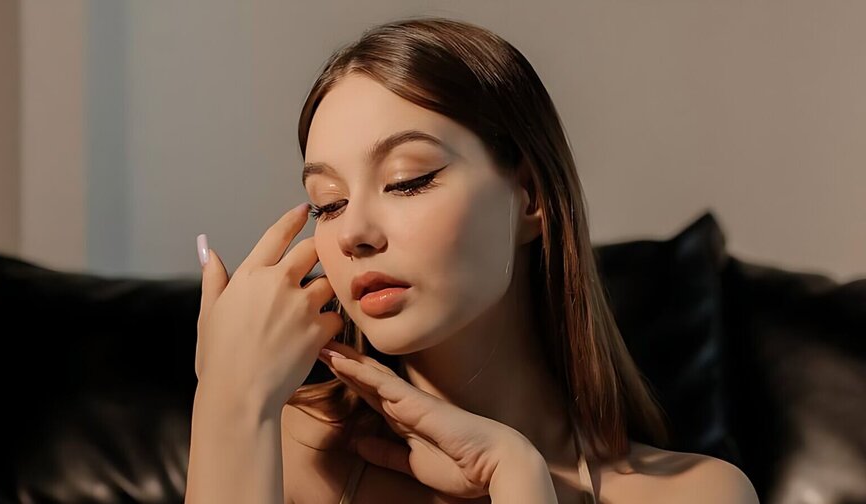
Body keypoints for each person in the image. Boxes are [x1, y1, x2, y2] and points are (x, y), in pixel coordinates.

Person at [185, 16, 759, 504]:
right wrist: (231, 398)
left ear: (530, 196)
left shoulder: (697, 493)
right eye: (328, 204)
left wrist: (516, 473)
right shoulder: (295, 454)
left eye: (407, 180)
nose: (353, 232)